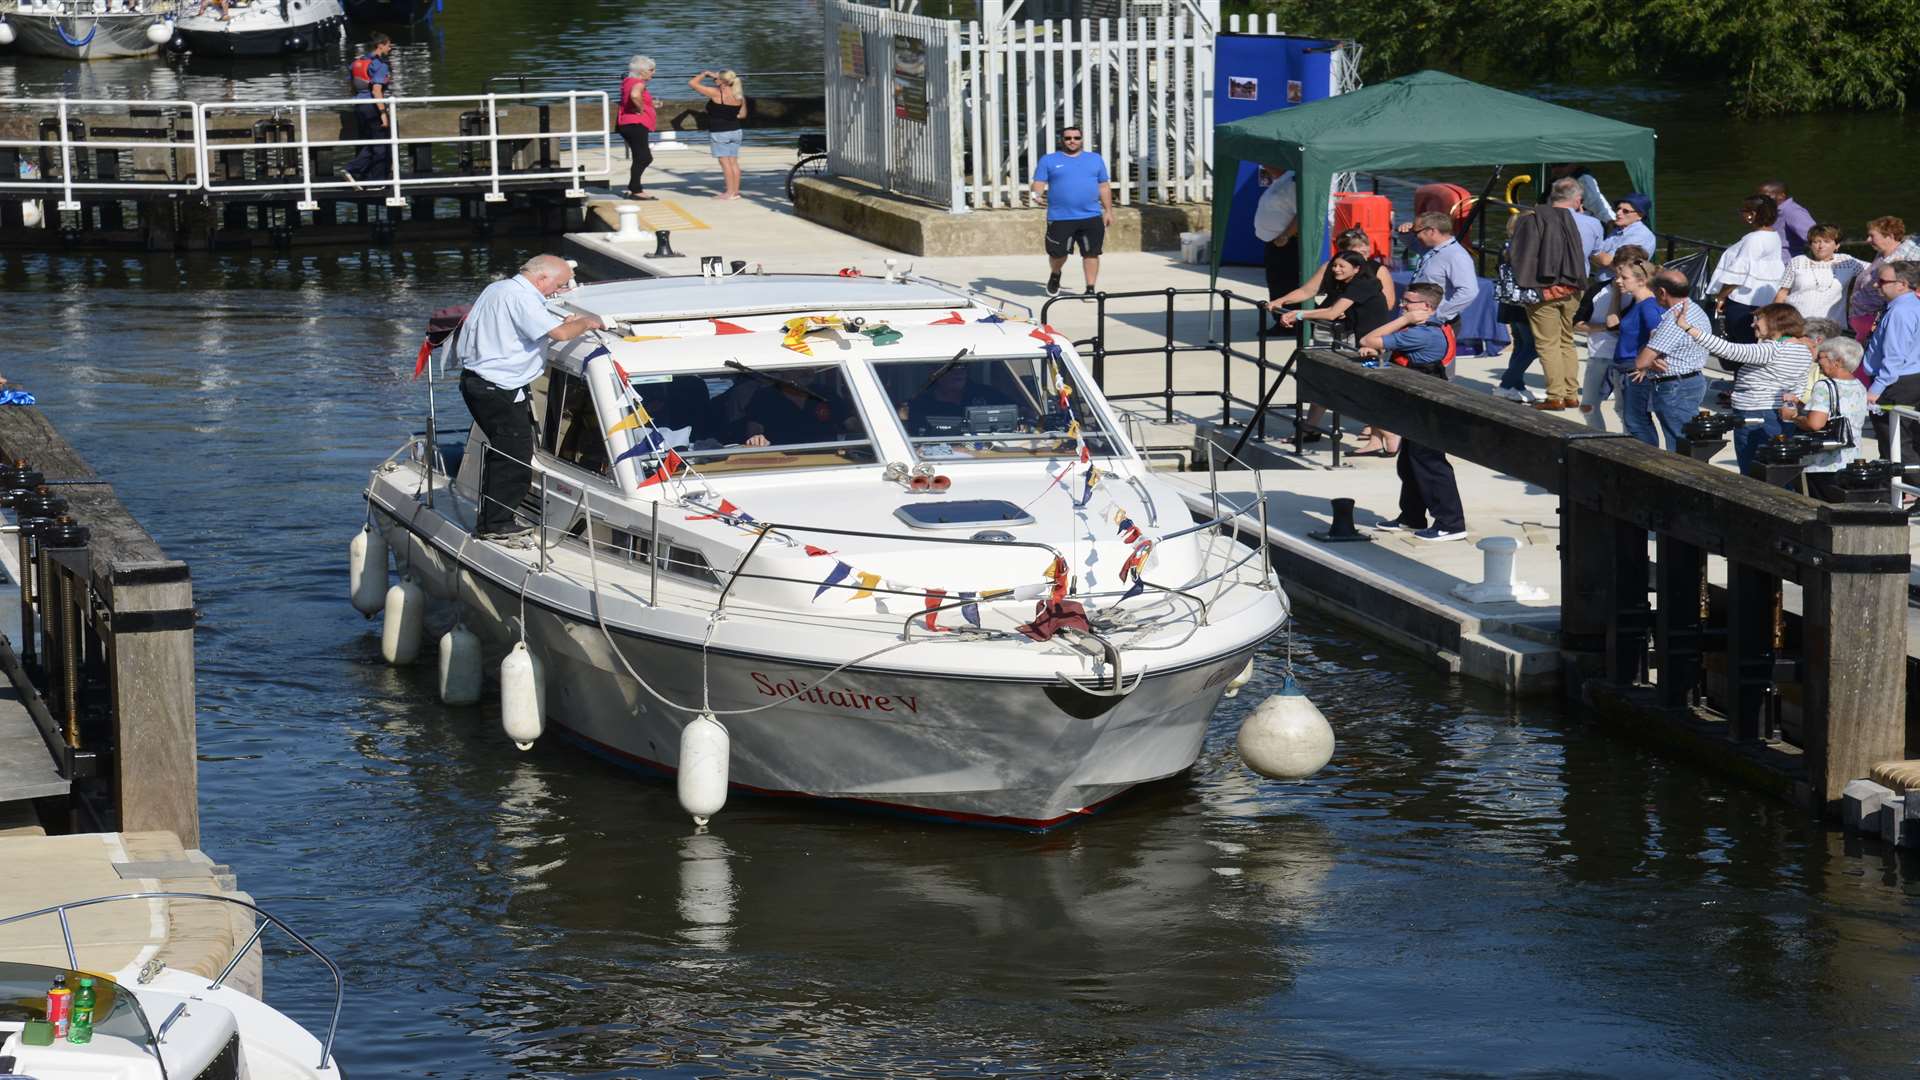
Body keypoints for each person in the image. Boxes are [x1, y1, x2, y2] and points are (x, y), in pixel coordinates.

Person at [455, 255, 605, 542]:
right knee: (514, 454)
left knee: (506, 450)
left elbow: (526, 330)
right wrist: (587, 322)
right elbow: (560, 333)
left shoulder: (498, 289)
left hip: (481, 382)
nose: (558, 290)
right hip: (498, 387)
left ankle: (494, 517)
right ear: (542, 279)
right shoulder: (522, 298)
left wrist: (560, 322)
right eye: (558, 285)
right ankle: (495, 524)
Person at [1266, 233, 1395, 450]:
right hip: (1348, 335)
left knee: (1364, 387)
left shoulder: (1365, 281)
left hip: (1366, 340)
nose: (1336, 270)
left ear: (1356, 267)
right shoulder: (1346, 276)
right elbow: (1312, 294)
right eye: (1336, 265)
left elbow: (1336, 311)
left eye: (1364, 251)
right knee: (1329, 379)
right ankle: (1374, 438)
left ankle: (1389, 434)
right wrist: (1282, 301)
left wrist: (1298, 314)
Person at [1359, 283, 1466, 543]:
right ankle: (1412, 516)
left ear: (1426, 308)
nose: (1402, 305)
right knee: (1409, 462)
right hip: (1417, 403)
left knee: (1429, 463)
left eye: (1408, 302)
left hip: (1425, 406)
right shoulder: (1431, 328)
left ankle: (1451, 523)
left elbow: (1367, 339)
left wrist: (1403, 320)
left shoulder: (1421, 334)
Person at [1673, 301, 1813, 474]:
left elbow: (1729, 350)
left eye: (1758, 319)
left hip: (1755, 415)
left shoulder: (1772, 350)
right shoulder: (1803, 351)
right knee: (1776, 470)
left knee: (1751, 471)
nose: (1752, 323)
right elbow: (1798, 387)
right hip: (1778, 416)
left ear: (1775, 322)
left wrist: (1688, 328)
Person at [1507, 177, 1589, 410]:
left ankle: (1555, 397)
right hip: (1573, 288)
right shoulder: (1584, 221)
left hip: (1544, 291)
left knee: (1547, 344)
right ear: (1577, 199)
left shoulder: (1531, 218)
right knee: (1566, 341)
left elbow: (1518, 255)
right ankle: (1571, 394)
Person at [1623, 269, 1712, 450]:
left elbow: (1641, 362)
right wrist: (1653, 357)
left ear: (1662, 292)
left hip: (1675, 388)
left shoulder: (1675, 320)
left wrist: (1649, 357)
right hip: (1689, 382)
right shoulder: (1695, 309)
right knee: (1684, 440)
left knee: (1680, 445)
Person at [1781, 337, 1870, 502]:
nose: (1816, 360)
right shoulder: (1859, 386)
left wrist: (1793, 416)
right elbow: (1837, 410)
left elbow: (1815, 424)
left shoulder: (1825, 386)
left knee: (1817, 508)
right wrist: (1801, 404)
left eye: (1821, 357)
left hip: (1822, 463)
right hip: (1849, 457)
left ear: (1837, 361)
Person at [1030, 126, 1113, 296]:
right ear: (1062, 140)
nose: (1072, 141)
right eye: (1068, 138)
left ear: (1082, 139)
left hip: (1091, 215)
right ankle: (1056, 273)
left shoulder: (1095, 159)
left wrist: (1108, 211)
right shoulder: (1049, 160)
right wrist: (1036, 194)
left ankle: (1090, 289)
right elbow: (1039, 182)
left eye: (1076, 137)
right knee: (1058, 254)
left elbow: (1103, 186)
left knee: (1091, 254)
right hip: (1060, 217)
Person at [1576, 246, 1652, 429]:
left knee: (1623, 409)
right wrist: (1603, 328)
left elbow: (1618, 324)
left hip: (1627, 360)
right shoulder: (1597, 290)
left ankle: (1628, 444)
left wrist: (1618, 295)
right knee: (1587, 406)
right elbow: (1577, 323)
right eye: (1619, 269)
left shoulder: (1640, 297)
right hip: (1598, 355)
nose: (1621, 277)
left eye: (1627, 272)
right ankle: (1598, 441)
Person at [1861, 261, 1920, 468]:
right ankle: (1900, 492)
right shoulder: (1912, 306)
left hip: (1896, 384)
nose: (1877, 285)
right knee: (1909, 441)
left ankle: (1909, 488)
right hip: (1911, 379)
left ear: (1901, 284)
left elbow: (1895, 355)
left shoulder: (1900, 312)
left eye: (1882, 281)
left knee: (1895, 444)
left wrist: (1876, 389)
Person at [1707, 194, 1786, 344]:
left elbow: (1738, 274)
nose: (1740, 214)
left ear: (1752, 215)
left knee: (1740, 346)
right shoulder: (1773, 235)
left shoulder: (1753, 239)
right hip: (1765, 299)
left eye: (1743, 210)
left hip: (1744, 302)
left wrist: (1721, 296)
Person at [1848, 216, 1920, 342]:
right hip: (1861, 321)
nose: (1868, 240)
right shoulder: (1881, 255)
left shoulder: (1901, 260)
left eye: (1872, 236)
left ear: (1890, 236)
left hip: (1876, 323)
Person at [1778, 224, 1868, 325]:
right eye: (1816, 242)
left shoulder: (1847, 262)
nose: (1820, 246)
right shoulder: (1798, 262)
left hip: (1832, 328)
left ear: (1837, 245)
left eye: (1826, 242)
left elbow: (1878, 268)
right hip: (1796, 325)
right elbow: (1782, 293)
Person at [1407, 212, 1478, 327]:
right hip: (1421, 318)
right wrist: (1405, 232)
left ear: (1431, 231)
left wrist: (1438, 316)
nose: (1416, 236)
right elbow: (1412, 244)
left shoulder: (1456, 255)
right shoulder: (1432, 249)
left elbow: (1469, 292)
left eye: (1416, 233)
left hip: (1436, 323)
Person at [906, 363, 1018, 435]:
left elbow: (1018, 412)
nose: (958, 373)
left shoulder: (986, 393)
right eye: (951, 369)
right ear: (936, 373)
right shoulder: (922, 402)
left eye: (962, 367)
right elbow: (915, 435)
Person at [1253, 166, 1299, 333]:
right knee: (1278, 283)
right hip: (1275, 241)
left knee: (1286, 284)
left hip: (1287, 241)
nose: (1264, 166)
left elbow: (1302, 212)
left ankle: (1288, 323)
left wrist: (1286, 235)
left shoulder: (1292, 181)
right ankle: (1283, 320)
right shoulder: (1280, 181)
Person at [343, 33, 393, 184]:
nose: (390, 49)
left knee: (370, 142)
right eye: (388, 45)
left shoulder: (357, 62)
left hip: (359, 106)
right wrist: (383, 113)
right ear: (380, 45)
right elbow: (376, 90)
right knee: (380, 145)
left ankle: (357, 172)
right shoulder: (380, 65)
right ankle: (375, 180)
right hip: (372, 107)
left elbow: (352, 86)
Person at [689, 69, 747, 200]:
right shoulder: (739, 95)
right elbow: (742, 115)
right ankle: (735, 192)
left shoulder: (716, 93)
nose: (714, 81)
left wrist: (704, 74)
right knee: (733, 162)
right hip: (736, 131)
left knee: (724, 162)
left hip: (720, 132)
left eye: (716, 79)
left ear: (722, 81)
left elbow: (692, 83)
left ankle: (729, 193)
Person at [616, 55, 658, 200]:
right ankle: (635, 189)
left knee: (639, 156)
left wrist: (649, 105)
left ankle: (635, 188)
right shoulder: (639, 83)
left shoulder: (628, 81)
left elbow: (632, 95)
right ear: (642, 72)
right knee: (645, 157)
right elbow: (634, 95)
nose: (654, 72)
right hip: (635, 124)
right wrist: (641, 108)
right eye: (651, 70)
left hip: (628, 123)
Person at [1589, 192, 1656, 281]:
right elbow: (1602, 257)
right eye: (1618, 209)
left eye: (1625, 211)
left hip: (1620, 287)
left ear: (1640, 215)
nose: (1618, 213)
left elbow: (1606, 260)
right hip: (1605, 283)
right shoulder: (1618, 229)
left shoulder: (1640, 235)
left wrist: (1587, 248)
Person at [1759, 181, 1815, 258]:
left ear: (1781, 196)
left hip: (1788, 264)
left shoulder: (1793, 211)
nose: (1760, 201)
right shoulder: (1774, 211)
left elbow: (1816, 237)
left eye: (1764, 197)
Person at [1547, 163, 1613, 225]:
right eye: (1553, 165)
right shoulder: (1554, 182)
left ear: (1573, 164)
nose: (1557, 168)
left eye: (1562, 164)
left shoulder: (1583, 179)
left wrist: (1611, 222)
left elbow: (1597, 203)